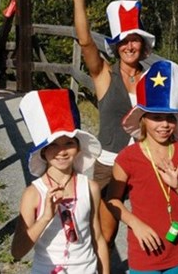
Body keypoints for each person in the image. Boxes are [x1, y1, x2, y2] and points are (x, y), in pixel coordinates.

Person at [57, 0, 156, 243]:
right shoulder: (104, 74)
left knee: (148, 225)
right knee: (105, 233)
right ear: (116, 46)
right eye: (123, 41)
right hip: (109, 162)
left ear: (143, 45)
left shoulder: (151, 79)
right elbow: (86, 41)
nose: (129, 46)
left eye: (134, 40)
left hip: (142, 162)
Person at [106, 60, 178, 273]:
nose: (164, 125)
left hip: (175, 250)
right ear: (143, 118)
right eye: (156, 117)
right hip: (143, 251)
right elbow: (112, 200)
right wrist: (135, 224)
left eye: (170, 118)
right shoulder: (127, 158)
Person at [12, 89, 109, 273]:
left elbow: (97, 236)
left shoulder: (89, 187)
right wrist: (45, 217)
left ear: (78, 147)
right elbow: (17, 252)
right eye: (53, 145)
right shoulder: (33, 194)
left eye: (69, 144)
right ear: (43, 151)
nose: (62, 152)